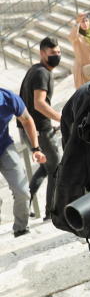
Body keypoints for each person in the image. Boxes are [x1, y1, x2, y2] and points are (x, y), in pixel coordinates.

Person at [17, 37, 62, 222]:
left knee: (45, 168)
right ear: (43, 53)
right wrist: (62, 118)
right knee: (56, 167)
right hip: (40, 131)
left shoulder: (34, 69)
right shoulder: (43, 73)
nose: (57, 56)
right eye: (53, 53)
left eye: (59, 52)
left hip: (28, 129)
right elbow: (39, 103)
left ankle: (24, 206)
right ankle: (50, 212)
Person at [1, 88, 45, 237]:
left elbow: (26, 120)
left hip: (4, 146)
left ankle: (21, 228)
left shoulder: (8, 98)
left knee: (22, 191)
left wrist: (36, 148)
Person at [69, 12, 90, 88]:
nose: (85, 23)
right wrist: (77, 23)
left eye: (86, 21)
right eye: (82, 22)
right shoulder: (77, 36)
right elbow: (71, 37)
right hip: (82, 69)